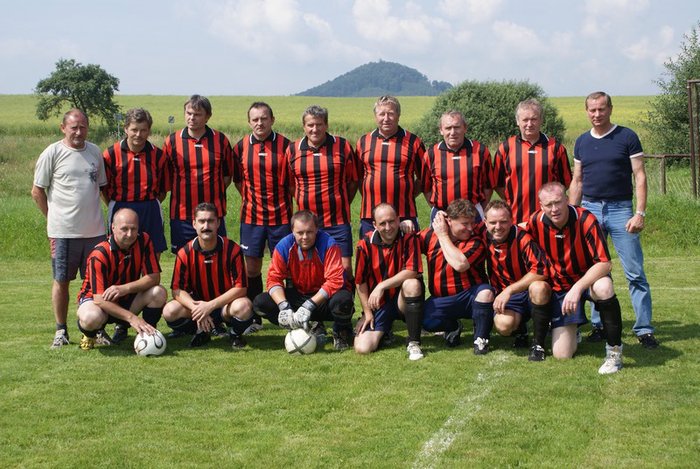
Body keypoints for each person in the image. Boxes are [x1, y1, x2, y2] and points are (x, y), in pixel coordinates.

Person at [569, 91, 658, 350]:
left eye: (601, 109)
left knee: (635, 272)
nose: (597, 114)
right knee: (594, 270)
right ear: (586, 111)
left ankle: (644, 329)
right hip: (589, 210)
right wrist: (573, 214)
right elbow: (577, 181)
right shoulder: (582, 141)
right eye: (592, 110)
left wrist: (639, 213)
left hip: (621, 210)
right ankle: (598, 326)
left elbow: (640, 176)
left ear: (610, 109)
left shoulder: (627, 137)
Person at [526, 182, 624, 374]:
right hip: (560, 287)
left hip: (587, 281)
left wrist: (577, 288)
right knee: (562, 354)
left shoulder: (586, 219)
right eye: (548, 205)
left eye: (558, 202)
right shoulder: (535, 221)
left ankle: (614, 352)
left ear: (567, 199)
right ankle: (573, 327)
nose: (554, 209)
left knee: (604, 287)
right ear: (541, 206)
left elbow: (605, 263)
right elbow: (520, 235)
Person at [32, 109, 108, 349]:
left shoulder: (95, 152)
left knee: (97, 284)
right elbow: (37, 191)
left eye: (83, 127)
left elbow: (102, 189)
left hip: (95, 232)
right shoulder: (52, 152)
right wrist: (53, 219)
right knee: (61, 280)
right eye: (74, 127)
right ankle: (61, 330)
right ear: (63, 128)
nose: (78, 132)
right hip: (63, 233)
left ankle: (97, 330)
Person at [253, 210, 355, 351]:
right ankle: (299, 325)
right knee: (261, 303)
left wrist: (309, 305)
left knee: (343, 300)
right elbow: (273, 279)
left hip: (323, 299)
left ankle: (341, 330)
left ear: (317, 229)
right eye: (300, 233)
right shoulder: (283, 246)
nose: (305, 237)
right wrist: (284, 306)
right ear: (292, 231)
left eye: (309, 232)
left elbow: (335, 281)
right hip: (299, 296)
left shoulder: (329, 244)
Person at [232, 102, 292, 332]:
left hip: (281, 218)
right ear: (249, 122)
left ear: (272, 120)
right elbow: (238, 181)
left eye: (264, 118)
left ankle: (289, 313)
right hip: (252, 219)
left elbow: (292, 184)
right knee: (251, 268)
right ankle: (255, 317)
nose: (260, 123)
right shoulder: (240, 147)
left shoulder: (286, 146)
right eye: (255, 119)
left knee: (287, 268)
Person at [162, 203, 254, 349]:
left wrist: (209, 306)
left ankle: (234, 334)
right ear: (194, 224)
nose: (206, 226)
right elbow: (177, 290)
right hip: (197, 306)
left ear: (218, 223)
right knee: (169, 310)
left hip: (224, 307)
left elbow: (241, 288)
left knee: (244, 306)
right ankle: (201, 331)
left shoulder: (233, 250)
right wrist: (197, 309)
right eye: (202, 221)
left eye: (210, 221)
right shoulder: (184, 253)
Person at [76, 208, 167, 350]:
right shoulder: (99, 254)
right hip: (96, 302)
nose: (130, 234)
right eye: (124, 229)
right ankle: (90, 334)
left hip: (126, 298)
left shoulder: (144, 240)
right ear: (113, 227)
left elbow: (154, 277)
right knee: (91, 318)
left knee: (158, 292)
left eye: (133, 229)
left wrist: (124, 289)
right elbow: (99, 300)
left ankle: (148, 334)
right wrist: (132, 318)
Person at [286, 105, 358, 276]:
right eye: (310, 125)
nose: (315, 129)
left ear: (326, 125)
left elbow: (353, 181)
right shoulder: (292, 150)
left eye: (319, 124)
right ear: (304, 126)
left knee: (344, 269)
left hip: (337, 221)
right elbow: (290, 184)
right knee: (311, 269)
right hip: (306, 224)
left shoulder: (342, 146)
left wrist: (339, 200)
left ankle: (346, 295)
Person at [419, 199, 494, 355]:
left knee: (486, 293)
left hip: (470, 296)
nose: (470, 228)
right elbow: (408, 245)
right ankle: (453, 326)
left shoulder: (475, 241)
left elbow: (460, 265)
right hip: (443, 298)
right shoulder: (429, 236)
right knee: (423, 320)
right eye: (464, 224)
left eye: (472, 223)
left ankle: (481, 339)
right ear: (449, 221)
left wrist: (443, 235)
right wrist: (403, 226)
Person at [162, 95, 233, 253]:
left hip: (213, 214)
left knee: (216, 257)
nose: (192, 118)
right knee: (184, 257)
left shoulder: (220, 140)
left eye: (197, 114)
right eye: (189, 113)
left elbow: (227, 176)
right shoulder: (172, 141)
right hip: (182, 216)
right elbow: (167, 177)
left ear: (208, 116)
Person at [354, 203, 424, 360]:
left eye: (391, 221)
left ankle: (414, 342)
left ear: (398, 220)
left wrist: (381, 286)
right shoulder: (364, 245)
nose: (388, 227)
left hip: (402, 299)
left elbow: (412, 270)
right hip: (380, 303)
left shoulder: (409, 237)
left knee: (412, 284)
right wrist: (367, 312)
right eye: (382, 223)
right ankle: (385, 331)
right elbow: (360, 281)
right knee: (362, 348)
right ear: (374, 225)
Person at [483, 200, 550, 350]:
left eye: (503, 222)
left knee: (539, 287)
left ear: (511, 220)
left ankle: (539, 343)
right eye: (493, 222)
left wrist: (509, 290)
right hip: (508, 297)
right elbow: (460, 223)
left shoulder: (523, 238)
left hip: (528, 292)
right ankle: (521, 330)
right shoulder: (483, 236)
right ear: (485, 222)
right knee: (503, 325)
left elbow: (541, 271)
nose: (498, 227)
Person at [102, 108, 168, 261]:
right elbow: (103, 189)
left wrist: (146, 203)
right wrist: (118, 205)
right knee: (119, 255)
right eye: (134, 130)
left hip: (150, 208)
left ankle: (149, 277)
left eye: (143, 130)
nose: (138, 134)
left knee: (152, 253)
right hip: (120, 206)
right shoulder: (110, 154)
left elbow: (163, 190)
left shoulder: (158, 155)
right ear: (126, 129)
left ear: (149, 131)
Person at [356, 95, 425, 237]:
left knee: (407, 251)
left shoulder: (414, 142)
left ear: (398, 115)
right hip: (370, 215)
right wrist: (371, 192)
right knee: (371, 251)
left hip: (405, 214)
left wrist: (408, 193)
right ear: (375, 116)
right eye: (382, 114)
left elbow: (423, 177)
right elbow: (357, 177)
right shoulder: (363, 141)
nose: (386, 118)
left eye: (391, 113)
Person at [493, 99, 572, 224]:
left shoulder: (556, 148)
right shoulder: (506, 148)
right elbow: (497, 183)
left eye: (534, 119)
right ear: (517, 121)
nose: (529, 124)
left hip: (548, 218)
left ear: (541, 120)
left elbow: (565, 183)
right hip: (515, 218)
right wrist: (512, 199)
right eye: (525, 120)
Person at [422, 110, 494, 221]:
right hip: (442, 214)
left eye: (457, 127)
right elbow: (426, 188)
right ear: (441, 130)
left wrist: (480, 209)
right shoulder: (431, 154)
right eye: (448, 128)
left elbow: (488, 186)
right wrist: (435, 208)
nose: (453, 132)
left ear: (465, 128)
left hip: (473, 214)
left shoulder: (480, 151)